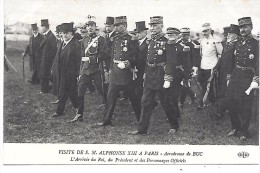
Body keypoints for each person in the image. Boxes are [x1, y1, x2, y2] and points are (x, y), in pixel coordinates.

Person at [129, 17, 182, 135]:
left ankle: (174, 125)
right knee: (145, 101)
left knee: (166, 102)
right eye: (151, 25)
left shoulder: (168, 41)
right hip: (150, 73)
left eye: (155, 25)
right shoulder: (150, 40)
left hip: (161, 74)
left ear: (161, 25)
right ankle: (142, 129)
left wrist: (168, 77)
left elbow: (171, 60)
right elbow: (147, 59)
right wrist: (144, 74)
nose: (152, 28)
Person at [92, 16, 141, 127]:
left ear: (125, 26)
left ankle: (140, 119)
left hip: (126, 73)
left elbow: (137, 56)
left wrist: (128, 63)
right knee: (110, 97)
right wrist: (110, 69)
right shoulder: (114, 38)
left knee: (133, 98)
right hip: (115, 72)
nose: (118, 27)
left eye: (120, 25)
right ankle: (106, 120)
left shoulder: (131, 39)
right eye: (116, 25)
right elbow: (111, 55)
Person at [225, 17, 259, 141]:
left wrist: (256, 79)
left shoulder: (256, 44)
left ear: (251, 27)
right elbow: (231, 61)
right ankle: (235, 127)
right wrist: (229, 75)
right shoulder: (237, 43)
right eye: (241, 27)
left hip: (248, 75)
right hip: (236, 74)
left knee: (246, 104)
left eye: (245, 27)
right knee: (230, 101)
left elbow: (258, 63)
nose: (242, 30)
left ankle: (244, 131)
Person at [69, 20, 108, 122]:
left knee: (102, 91)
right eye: (88, 26)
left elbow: (105, 54)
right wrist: (80, 72)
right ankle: (79, 114)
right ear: (86, 28)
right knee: (80, 91)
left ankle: (109, 112)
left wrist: (92, 59)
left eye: (92, 26)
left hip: (97, 69)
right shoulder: (84, 40)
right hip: (85, 70)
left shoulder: (101, 39)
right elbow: (82, 56)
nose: (90, 28)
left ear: (95, 27)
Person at [52, 23, 81, 118]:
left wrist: (78, 74)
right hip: (62, 72)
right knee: (68, 92)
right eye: (62, 33)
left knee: (66, 92)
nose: (64, 35)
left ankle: (60, 111)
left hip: (71, 73)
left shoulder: (75, 44)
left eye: (67, 33)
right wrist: (54, 69)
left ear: (72, 33)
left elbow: (79, 61)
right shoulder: (62, 43)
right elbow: (57, 57)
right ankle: (76, 107)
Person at [214, 24, 240, 117]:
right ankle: (222, 109)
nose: (228, 35)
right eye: (228, 33)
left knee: (228, 92)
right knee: (222, 90)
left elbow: (237, 62)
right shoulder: (227, 44)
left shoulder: (238, 45)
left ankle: (221, 111)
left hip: (231, 73)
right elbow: (222, 58)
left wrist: (231, 73)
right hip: (223, 72)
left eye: (230, 33)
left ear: (236, 35)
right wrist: (216, 68)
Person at [197, 23, 223, 109]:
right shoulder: (202, 41)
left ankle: (201, 103)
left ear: (210, 30)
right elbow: (201, 54)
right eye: (203, 31)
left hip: (212, 65)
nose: (204, 33)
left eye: (206, 31)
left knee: (207, 85)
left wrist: (216, 66)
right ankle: (213, 101)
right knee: (202, 83)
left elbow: (221, 54)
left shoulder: (216, 40)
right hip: (203, 65)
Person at [178, 28, 198, 108]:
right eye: (182, 35)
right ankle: (193, 96)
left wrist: (194, 68)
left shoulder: (192, 45)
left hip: (188, 68)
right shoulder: (178, 43)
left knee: (185, 84)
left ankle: (181, 101)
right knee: (183, 84)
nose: (182, 37)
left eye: (185, 35)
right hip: (180, 67)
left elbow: (195, 58)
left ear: (188, 35)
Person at [38, 19, 57, 94]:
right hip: (44, 59)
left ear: (45, 27)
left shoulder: (51, 36)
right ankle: (44, 89)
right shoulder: (46, 36)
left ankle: (48, 89)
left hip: (48, 60)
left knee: (48, 75)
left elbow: (54, 50)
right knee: (44, 75)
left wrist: (51, 62)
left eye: (41, 27)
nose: (40, 28)